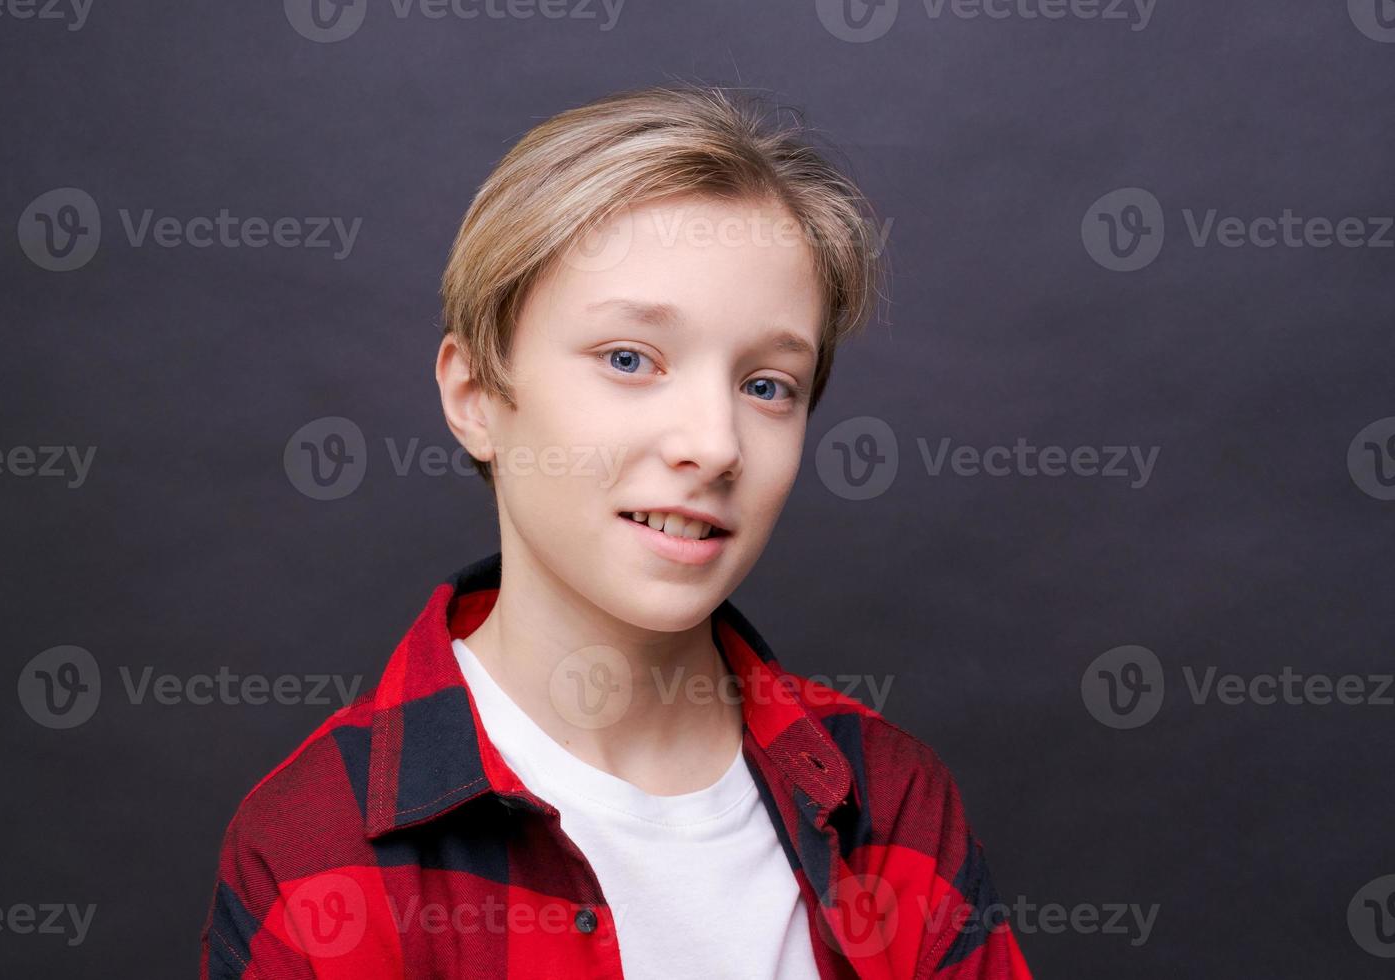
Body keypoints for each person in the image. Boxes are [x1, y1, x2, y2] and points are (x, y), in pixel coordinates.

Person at [199, 82, 1033, 979]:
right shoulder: (312, 845)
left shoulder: (893, 807)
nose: (713, 445)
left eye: (766, 386)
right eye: (630, 359)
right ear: (475, 397)